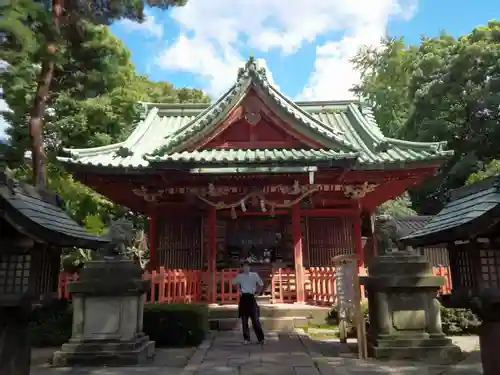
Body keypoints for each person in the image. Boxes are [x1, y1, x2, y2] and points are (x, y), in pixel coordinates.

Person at [232, 261, 265, 345]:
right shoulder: (240, 276)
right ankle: (246, 338)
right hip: (244, 297)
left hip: (251, 297)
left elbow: (261, 284)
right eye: (244, 266)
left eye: (247, 266)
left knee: (255, 319)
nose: (246, 268)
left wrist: (258, 293)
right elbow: (234, 283)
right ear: (242, 268)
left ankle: (261, 338)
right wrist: (238, 290)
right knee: (244, 319)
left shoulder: (254, 275)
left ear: (249, 267)